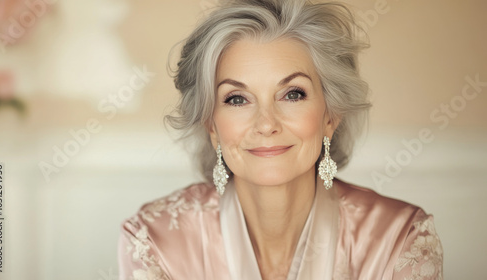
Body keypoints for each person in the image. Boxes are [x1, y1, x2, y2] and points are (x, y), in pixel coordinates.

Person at [117, 0, 443, 279]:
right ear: (211, 125)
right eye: (237, 99)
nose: (266, 123)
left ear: (331, 115)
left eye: (292, 94)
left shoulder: (399, 239)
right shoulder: (153, 241)